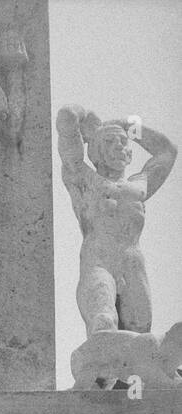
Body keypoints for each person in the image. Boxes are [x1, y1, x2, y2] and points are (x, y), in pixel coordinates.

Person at [56, 105, 176, 338]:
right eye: (111, 142)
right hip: (98, 262)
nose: (120, 146)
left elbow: (167, 151)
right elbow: (66, 119)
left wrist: (128, 126)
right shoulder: (83, 179)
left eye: (124, 143)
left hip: (132, 263)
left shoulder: (138, 186)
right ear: (97, 153)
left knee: (141, 335)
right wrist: (84, 116)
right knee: (103, 323)